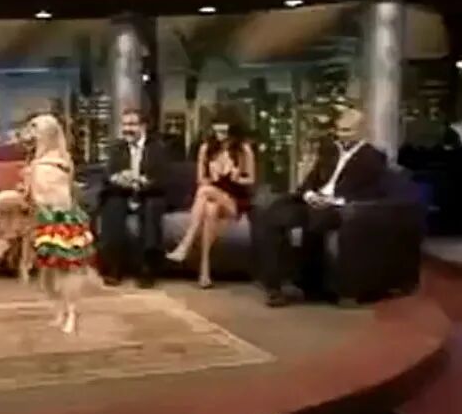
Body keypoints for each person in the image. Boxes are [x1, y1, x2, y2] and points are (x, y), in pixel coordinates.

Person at [256, 108, 386, 307]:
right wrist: (309, 194)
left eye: (347, 130)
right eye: (339, 130)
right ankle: (273, 287)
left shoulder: (373, 157)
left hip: (338, 207)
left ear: (361, 131)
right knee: (274, 215)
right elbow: (311, 180)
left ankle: (308, 282)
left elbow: (369, 192)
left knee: (316, 222)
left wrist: (334, 201)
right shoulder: (329, 150)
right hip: (313, 201)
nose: (341, 135)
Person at [26, 113, 96, 334]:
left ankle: (71, 313)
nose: (32, 136)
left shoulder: (59, 162)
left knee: (66, 272)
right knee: (48, 275)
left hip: (63, 221)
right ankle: (60, 311)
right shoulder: (40, 163)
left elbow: (65, 195)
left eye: (36, 131)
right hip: (45, 220)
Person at [166, 121, 256, 288]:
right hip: (211, 196)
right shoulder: (206, 148)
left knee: (204, 191)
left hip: (234, 200)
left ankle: (186, 243)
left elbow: (251, 179)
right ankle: (204, 273)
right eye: (217, 130)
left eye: (224, 130)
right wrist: (212, 177)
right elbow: (200, 180)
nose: (220, 134)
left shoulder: (243, 149)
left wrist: (236, 177)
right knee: (210, 209)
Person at [99, 108, 167, 288]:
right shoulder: (116, 148)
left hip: (149, 193)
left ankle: (147, 268)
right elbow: (107, 176)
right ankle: (113, 267)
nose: (127, 129)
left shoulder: (157, 148)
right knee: (112, 205)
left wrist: (142, 182)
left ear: (143, 126)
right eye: (125, 124)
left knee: (151, 207)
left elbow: (162, 178)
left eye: (132, 124)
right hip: (122, 193)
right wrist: (118, 179)